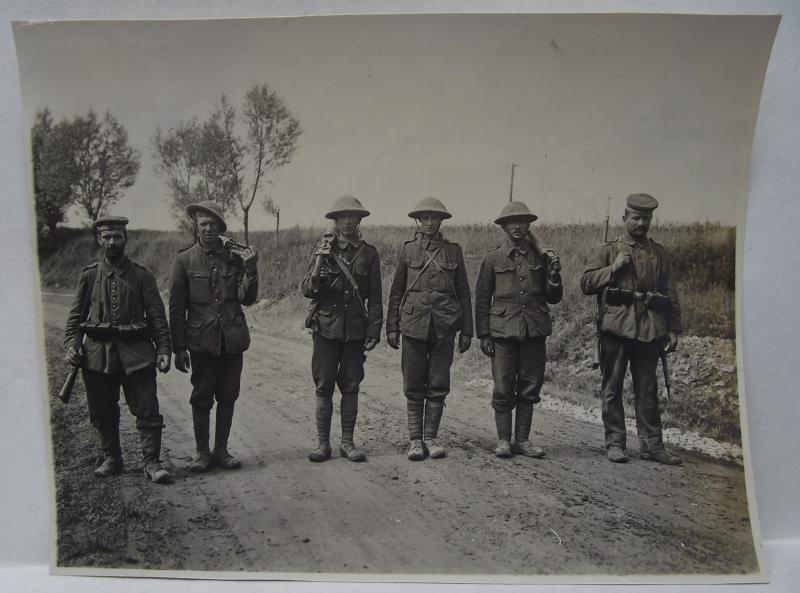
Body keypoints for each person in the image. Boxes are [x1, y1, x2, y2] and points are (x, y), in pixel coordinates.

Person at [63, 216, 173, 483]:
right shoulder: (89, 276)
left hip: (137, 354)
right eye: (107, 237)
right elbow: (75, 318)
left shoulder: (142, 276)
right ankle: (112, 458)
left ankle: (152, 462)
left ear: (126, 239)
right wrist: (71, 345)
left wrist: (163, 349)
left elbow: (158, 317)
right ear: (99, 240)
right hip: (97, 355)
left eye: (118, 237)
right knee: (101, 410)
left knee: (147, 409)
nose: (112, 242)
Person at [580, 193, 683, 465]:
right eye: (635, 217)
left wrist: (673, 329)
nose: (641, 222)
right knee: (612, 387)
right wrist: (613, 269)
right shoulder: (609, 250)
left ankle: (652, 446)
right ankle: (615, 442)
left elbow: (670, 291)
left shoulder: (659, 253)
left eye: (646, 218)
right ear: (624, 218)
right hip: (616, 326)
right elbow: (586, 283)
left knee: (647, 388)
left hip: (649, 328)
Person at [169, 200, 259, 473]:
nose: (208, 228)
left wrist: (251, 268)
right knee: (201, 396)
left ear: (221, 227)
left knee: (228, 395)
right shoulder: (184, 260)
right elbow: (176, 307)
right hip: (201, 342)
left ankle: (221, 450)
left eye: (213, 224)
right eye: (202, 223)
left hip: (231, 339)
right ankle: (201, 452)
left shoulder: (235, 257)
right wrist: (179, 347)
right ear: (196, 227)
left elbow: (247, 298)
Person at [386, 197, 473, 460]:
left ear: (441, 221)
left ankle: (431, 438)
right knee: (413, 383)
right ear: (418, 221)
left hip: (444, 326)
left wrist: (467, 330)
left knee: (438, 383)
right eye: (425, 218)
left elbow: (464, 293)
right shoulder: (408, 250)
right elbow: (396, 291)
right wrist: (392, 327)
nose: (430, 223)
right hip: (413, 325)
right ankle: (415, 440)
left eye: (435, 218)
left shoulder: (453, 251)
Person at [474, 201, 562, 459]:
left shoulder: (541, 257)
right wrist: (484, 334)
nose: (517, 226)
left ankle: (522, 440)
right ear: (503, 227)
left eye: (522, 221)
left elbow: (553, 297)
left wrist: (554, 278)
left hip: (534, 330)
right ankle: (503, 440)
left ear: (528, 225)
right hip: (502, 333)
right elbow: (482, 298)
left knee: (529, 386)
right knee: (502, 386)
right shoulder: (493, 258)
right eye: (511, 222)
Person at [302, 195, 383, 462]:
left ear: (360, 220)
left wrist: (373, 330)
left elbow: (376, 296)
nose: (348, 222)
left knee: (351, 386)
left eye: (353, 217)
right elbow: (308, 290)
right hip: (325, 327)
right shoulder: (324, 249)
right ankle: (323, 444)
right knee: (323, 386)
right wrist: (319, 260)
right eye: (343, 217)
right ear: (335, 221)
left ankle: (347, 443)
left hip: (355, 331)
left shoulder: (369, 253)